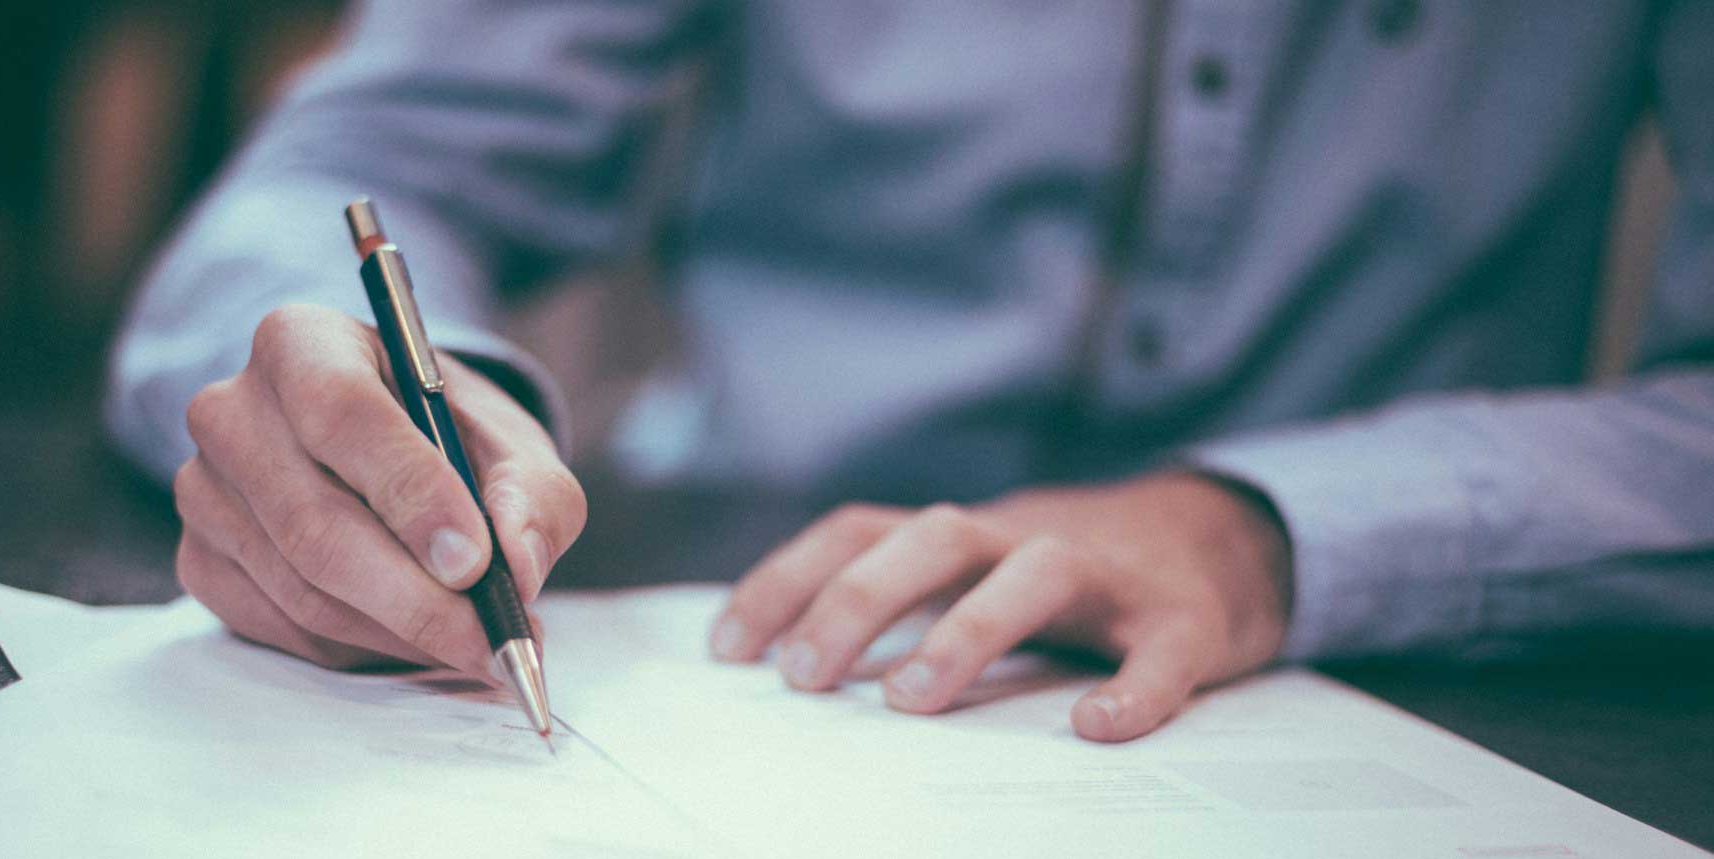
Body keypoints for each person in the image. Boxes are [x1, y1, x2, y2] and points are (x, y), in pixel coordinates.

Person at [107, 0, 1714, 742]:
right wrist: (384, 408)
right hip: (742, 621)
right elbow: (361, 163)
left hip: (1425, 683)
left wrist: (1266, 526)